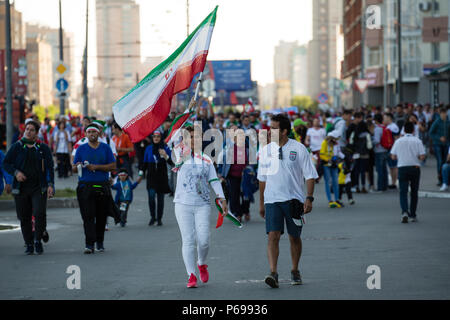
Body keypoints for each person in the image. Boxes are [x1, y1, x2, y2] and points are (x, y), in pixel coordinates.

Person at [258, 114, 318, 288]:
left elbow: (310, 175)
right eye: (270, 128)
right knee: (272, 236)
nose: (270, 132)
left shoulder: (298, 149)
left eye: (274, 128)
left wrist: (309, 198)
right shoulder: (265, 150)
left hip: (294, 200)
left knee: (294, 237)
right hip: (272, 200)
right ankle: (273, 273)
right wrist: (261, 203)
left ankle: (294, 270)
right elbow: (262, 179)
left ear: (284, 131)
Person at [172, 125, 228, 288]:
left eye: (197, 137)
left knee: (204, 241)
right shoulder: (180, 154)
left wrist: (222, 197)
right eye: (190, 137)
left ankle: (201, 263)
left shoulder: (207, 160)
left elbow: (213, 181)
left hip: (202, 204)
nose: (194, 140)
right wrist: (188, 110)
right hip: (183, 204)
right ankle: (191, 275)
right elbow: (174, 133)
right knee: (188, 240)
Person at [3, 120, 55, 255]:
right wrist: (16, 173)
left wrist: (50, 185)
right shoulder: (17, 146)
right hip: (21, 188)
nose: (28, 131)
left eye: (31, 130)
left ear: (36, 133)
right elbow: (6, 163)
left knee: (39, 213)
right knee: (24, 217)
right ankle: (29, 243)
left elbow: (49, 168)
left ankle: (38, 240)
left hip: (39, 187)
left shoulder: (42, 148)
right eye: (27, 129)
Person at [72, 123, 116, 254]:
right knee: (88, 216)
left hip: (101, 185)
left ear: (99, 134)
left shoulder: (105, 148)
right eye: (89, 132)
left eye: (94, 132)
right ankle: (89, 244)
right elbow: (73, 168)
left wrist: (96, 167)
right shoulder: (81, 149)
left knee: (101, 215)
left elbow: (113, 166)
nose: (92, 134)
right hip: (85, 186)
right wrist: (78, 166)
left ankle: (100, 242)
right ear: (85, 134)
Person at [390, 122, 426, 223]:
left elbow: (392, 156)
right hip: (415, 167)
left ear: (404, 130)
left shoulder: (398, 141)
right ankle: (413, 215)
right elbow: (422, 156)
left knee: (403, 192)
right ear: (414, 130)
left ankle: (404, 212)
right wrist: (417, 157)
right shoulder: (418, 141)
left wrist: (400, 156)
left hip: (402, 168)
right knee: (414, 192)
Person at [143, 130, 174, 226]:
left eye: (158, 136)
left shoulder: (165, 148)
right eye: (154, 136)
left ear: (161, 138)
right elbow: (144, 164)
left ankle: (159, 218)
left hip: (161, 176)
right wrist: (141, 174)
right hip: (151, 176)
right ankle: (153, 217)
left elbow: (171, 163)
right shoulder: (148, 148)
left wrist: (165, 155)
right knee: (151, 197)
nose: (156, 138)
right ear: (152, 138)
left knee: (160, 199)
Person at [320, 132, 344, 208]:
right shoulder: (324, 143)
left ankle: (337, 200)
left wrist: (338, 158)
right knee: (327, 182)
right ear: (331, 137)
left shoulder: (335, 144)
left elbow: (336, 153)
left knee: (335, 182)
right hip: (326, 165)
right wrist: (328, 160)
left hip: (333, 164)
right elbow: (321, 154)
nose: (336, 140)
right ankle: (330, 200)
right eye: (335, 139)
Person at [349, 120, 373, 193]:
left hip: (356, 154)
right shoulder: (367, 134)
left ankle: (356, 186)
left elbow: (350, 143)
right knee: (363, 171)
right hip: (364, 155)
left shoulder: (354, 133)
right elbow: (369, 146)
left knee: (356, 171)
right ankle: (363, 186)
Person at [429, 108, 450, 186]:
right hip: (437, 144)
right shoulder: (437, 122)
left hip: (446, 144)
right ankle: (440, 178)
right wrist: (439, 138)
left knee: (445, 161)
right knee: (440, 161)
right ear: (440, 114)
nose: (444, 115)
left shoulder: (448, 122)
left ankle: (445, 179)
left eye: (445, 113)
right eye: (442, 113)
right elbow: (431, 133)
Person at [373, 114, 389, 192]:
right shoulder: (384, 127)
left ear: (375, 120)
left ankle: (380, 187)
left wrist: (370, 141)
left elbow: (377, 140)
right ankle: (385, 186)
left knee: (379, 170)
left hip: (379, 150)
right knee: (384, 169)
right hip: (385, 150)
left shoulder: (377, 129)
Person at [384, 113, 400, 189]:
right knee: (391, 166)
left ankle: (394, 182)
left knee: (394, 166)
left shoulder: (394, 127)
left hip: (392, 149)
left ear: (389, 118)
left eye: (385, 118)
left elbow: (396, 138)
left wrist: (395, 150)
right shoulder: (388, 126)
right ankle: (393, 182)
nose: (384, 119)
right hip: (389, 149)